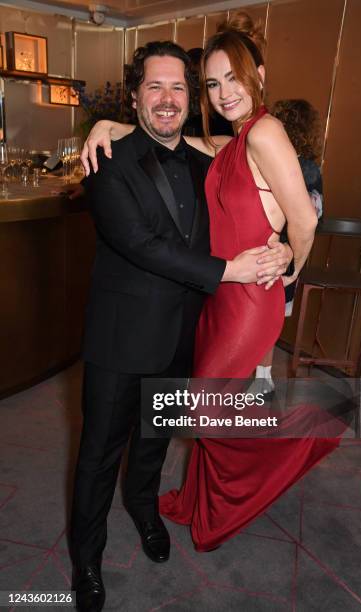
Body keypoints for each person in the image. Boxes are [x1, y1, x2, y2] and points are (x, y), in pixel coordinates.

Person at [81, 14, 337, 556]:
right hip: (183, 311)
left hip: (236, 301)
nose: (221, 93)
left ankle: (285, 447)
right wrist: (109, 128)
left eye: (232, 79)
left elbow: (305, 218)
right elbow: (178, 153)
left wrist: (289, 264)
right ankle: (129, 536)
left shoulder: (262, 132)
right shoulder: (228, 141)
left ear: (259, 77)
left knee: (192, 420)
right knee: (132, 437)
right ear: (136, 96)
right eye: (213, 83)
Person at [71, 39, 291, 612]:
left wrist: (283, 250)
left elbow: (262, 195)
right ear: (135, 95)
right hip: (120, 340)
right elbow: (140, 244)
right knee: (98, 455)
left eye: (178, 87)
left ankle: (145, 513)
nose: (167, 99)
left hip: (184, 337)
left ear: (191, 97)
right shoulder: (106, 161)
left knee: (153, 444)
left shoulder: (210, 161)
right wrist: (228, 270)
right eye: (154, 87)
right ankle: (86, 559)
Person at [255, 98, 324, 391]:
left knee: (257, 320)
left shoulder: (265, 158)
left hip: (262, 250)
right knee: (270, 321)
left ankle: (257, 379)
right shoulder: (308, 167)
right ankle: (262, 379)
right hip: (285, 254)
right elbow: (315, 214)